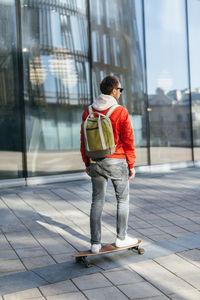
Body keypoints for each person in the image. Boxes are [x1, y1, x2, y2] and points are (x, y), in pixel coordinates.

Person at [80, 75, 138, 253]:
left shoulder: (88, 111)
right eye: (120, 89)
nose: (120, 92)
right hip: (117, 160)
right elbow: (128, 139)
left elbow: (84, 140)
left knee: (96, 201)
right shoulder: (120, 111)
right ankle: (121, 238)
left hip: (95, 161)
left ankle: (95, 243)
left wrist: (87, 162)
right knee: (122, 200)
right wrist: (131, 163)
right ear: (113, 91)